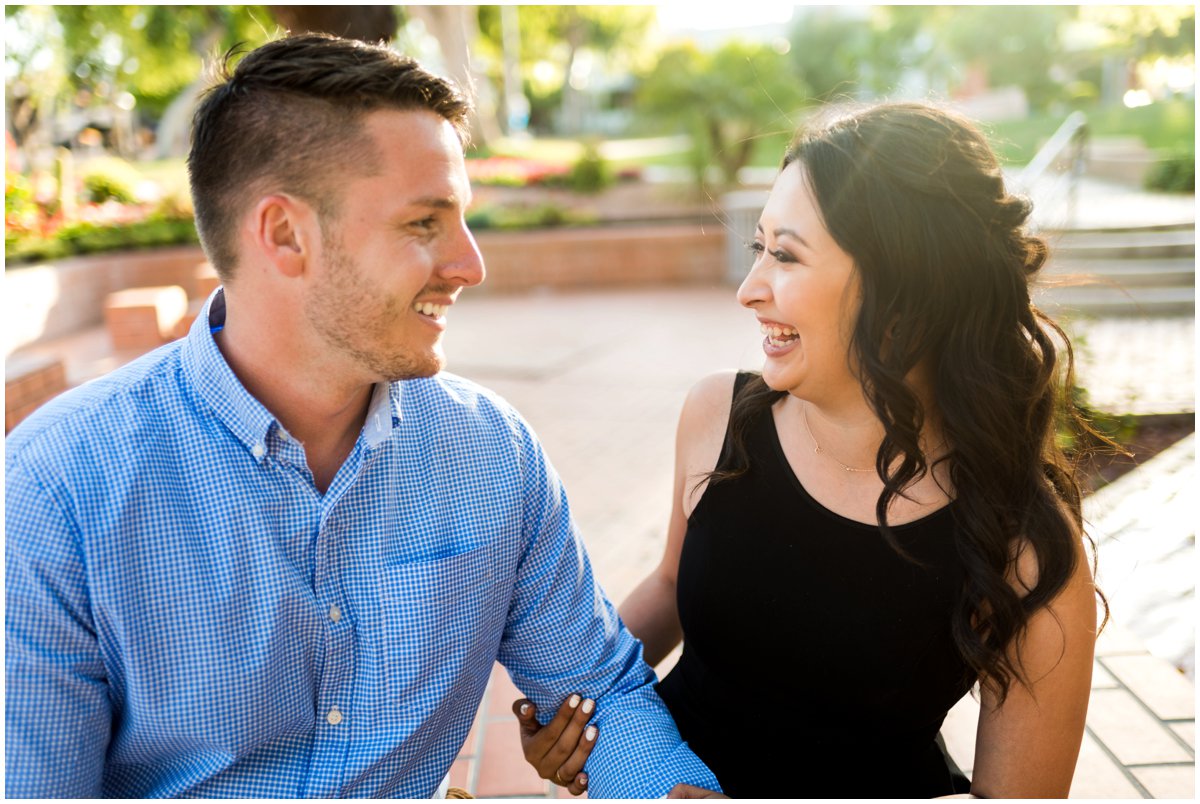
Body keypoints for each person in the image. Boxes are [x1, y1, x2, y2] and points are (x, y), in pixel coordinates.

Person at [4, 34, 722, 799]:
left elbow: (599, 690)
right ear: (285, 235)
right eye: (424, 224)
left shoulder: (489, 451)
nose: (471, 265)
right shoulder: (58, 488)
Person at [516, 102, 1105, 798]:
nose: (748, 289)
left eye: (786, 255)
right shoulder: (717, 417)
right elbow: (674, 585)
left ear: (904, 290)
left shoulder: (1027, 552)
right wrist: (584, 714)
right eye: (758, 247)